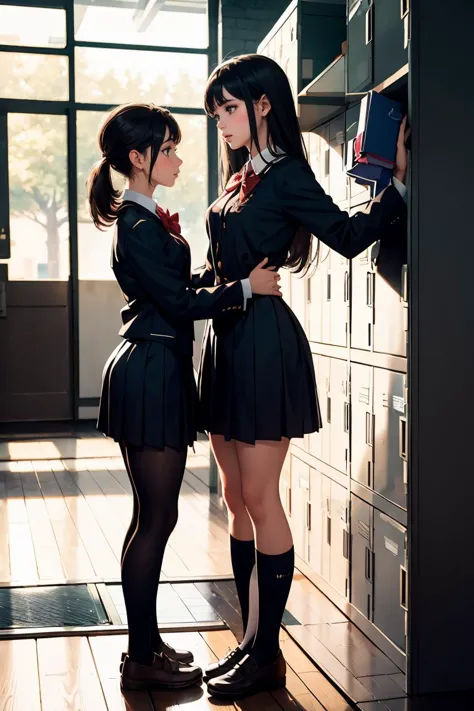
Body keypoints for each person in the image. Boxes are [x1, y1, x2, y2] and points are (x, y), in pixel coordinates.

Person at [197, 54, 408, 700]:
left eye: (229, 109)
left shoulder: (287, 176)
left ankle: (268, 654)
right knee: (235, 499)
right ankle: (251, 636)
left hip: (264, 344)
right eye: (215, 113)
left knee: (262, 499)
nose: (221, 122)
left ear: (263, 106)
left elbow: (344, 236)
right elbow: (218, 264)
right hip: (228, 342)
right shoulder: (239, 179)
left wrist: (394, 187)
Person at [86, 102, 281, 692]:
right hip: (151, 370)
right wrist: (245, 288)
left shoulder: (143, 222)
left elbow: (176, 288)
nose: (175, 158)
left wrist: (221, 278)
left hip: (155, 364)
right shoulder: (139, 227)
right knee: (156, 519)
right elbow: (180, 303)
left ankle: (143, 648)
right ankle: (139, 659)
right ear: (138, 159)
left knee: (152, 516)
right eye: (167, 149)